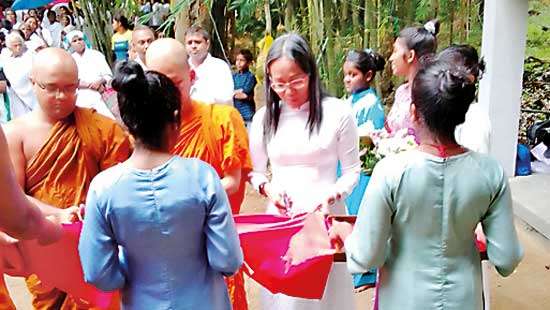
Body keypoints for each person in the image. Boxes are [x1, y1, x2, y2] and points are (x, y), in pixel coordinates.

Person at [330, 59, 524, 310]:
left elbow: (368, 255)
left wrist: (349, 237)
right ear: (462, 114)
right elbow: (506, 259)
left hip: (403, 299)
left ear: (413, 112)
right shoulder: (490, 173)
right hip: (464, 299)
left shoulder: (390, 171)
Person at [79, 60, 242, 309]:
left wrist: (131, 272)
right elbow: (227, 260)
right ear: (175, 119)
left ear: (127, 121)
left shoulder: (104, 188)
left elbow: (97, 272)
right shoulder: (202, 177)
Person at [2, 48, 131, 309]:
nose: (61, 96)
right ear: (32, 83)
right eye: (51, 88)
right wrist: (60, 214)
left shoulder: (100, 128)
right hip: (45, 246)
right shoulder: (15, 134)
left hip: (96, 238)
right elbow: (13, 200)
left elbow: (120, 188)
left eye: (70, 88)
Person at [248, 33, 360, 310]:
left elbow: (352, 171)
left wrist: (334, 193)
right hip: (282, 220)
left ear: (311, 73)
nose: (288, 91)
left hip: (324, 219)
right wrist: (268, 189)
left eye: (296, 81)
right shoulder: (264, 119)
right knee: (286, 298)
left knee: (324, 297)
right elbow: (256, 172)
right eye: (279, 84)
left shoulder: (337, 112)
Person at [146, 38, 252, 310]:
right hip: (166, 249)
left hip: (215, 241)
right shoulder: (147, 132)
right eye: (158, 85)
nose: (166, 94)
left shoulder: (222, 119)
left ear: (191, 76)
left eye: (174, 83)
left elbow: (232, 181)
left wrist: (181, 196)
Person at [341, 48, 386, 290]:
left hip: (362, 168)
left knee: (358, 217)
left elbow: (372, 140)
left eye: (353, 74)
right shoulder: (350, 101)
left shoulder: (371, 104)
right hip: (346, 164)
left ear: (368, 75)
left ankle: (365, 272)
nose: (348, 79)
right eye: (346, 74)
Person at [386, 19, 439, 136]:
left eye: (395, 51)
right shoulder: (401, 92)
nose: (391, 58)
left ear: (410, 56)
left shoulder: (430, 95)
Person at [68, 30, 115, 119]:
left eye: (80, 39)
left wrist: (100, 82)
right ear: (71, 44)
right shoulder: (69, 60)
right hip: (81, 98)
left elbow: (108, 75)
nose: (78, 42)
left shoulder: (96, 55)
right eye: (74, 41)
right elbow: (69, 81)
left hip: (100, 94)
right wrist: (88, 85)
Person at [185, 25, 234, 105]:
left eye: (197, 42)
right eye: (189, 43)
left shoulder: (219, 67)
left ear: (207, 44)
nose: (193, 46)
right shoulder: (182, 68)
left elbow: (226, 98)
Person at [3, 32, 38, 119]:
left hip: (33, 95)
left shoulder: (30, 56)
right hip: (15, 97)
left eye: (20, 44)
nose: (18, 48)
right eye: (15, 45)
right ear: (9, 47)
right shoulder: (6, 60)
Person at [233, 49, 257, 128]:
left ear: (248, 63)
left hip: (247, 115)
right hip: (235, 114)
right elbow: (228, 89)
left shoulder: (250, 77)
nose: (238, 63)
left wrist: (231, 93)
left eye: (242, 60)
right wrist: (236, 92)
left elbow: (244, 95)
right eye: (237, 60)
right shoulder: (234, 76)